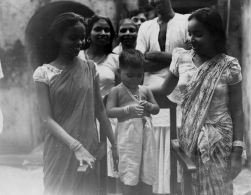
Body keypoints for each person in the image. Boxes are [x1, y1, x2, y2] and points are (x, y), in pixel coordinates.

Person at [151, 8, 245, 195]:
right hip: (190, 137)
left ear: (215, 35)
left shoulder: (229, 65)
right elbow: (164, 90)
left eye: (199, 34)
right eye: (190, 33)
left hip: (220, 140)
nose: (192, 39)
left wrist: (237, 151)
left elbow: (237, 111)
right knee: (192, 187)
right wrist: (131, 91)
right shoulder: (181, 58)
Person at [33, 12, 117, 195]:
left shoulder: (90, 67)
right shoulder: (43, 73)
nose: (79, 43)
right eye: (73, 38)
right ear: (58, 37)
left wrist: (114, 145)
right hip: (60, 148)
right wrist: (75, 146)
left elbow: (99, 109)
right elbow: (47, 119)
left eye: (82, 38)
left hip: (89, 145)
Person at [136, 0, 190, 193]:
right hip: (152, 93)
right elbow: (140, 62)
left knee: (177, 141)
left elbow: (189, 58)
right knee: (154, 143)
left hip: (180, 90)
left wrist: (156, 56)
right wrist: (174, 57)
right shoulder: (145, 27)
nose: (155, 2)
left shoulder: (186, 22)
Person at [106, 49, 160, 195]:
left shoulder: (146, 90)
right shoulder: (116, 91)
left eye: (139, 76)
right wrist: (128, 109)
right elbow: (109, 111)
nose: (135, 80)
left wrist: (149, 106)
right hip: (127, 137)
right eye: (129, 75)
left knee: (146, 167)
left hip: (146, 136)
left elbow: (156, 109)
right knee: (129, 169)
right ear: (119, 72)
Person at [79, 15, 119, 179]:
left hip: (108, 118)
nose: (103, 33)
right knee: (88, 170)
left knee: (111, 170)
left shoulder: (115, 59)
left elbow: (122, 92)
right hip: (83, 117)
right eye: (98, 29)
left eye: (107, 30)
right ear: (88, 33)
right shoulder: (78, 56)